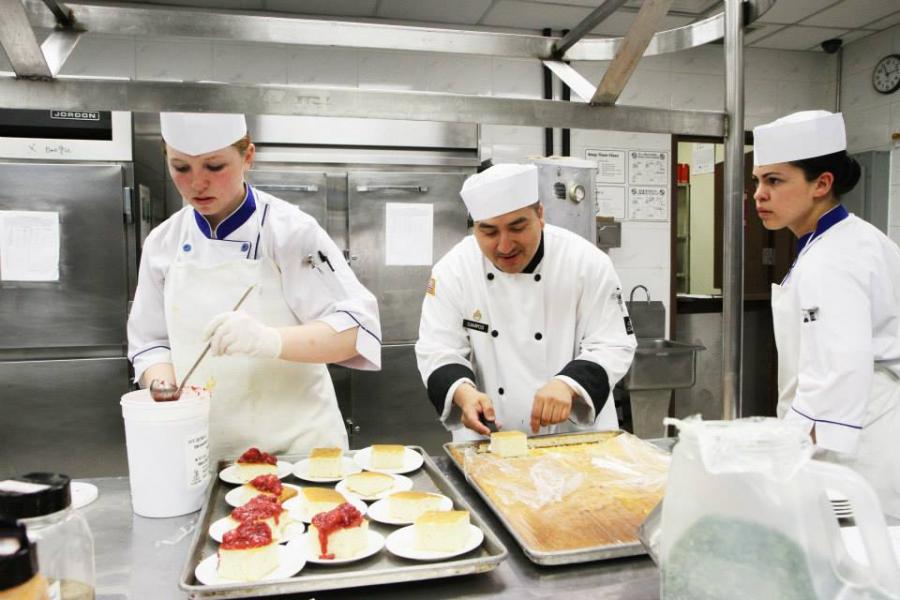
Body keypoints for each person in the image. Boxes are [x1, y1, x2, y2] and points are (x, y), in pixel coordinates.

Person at [127, 112, 381, 457]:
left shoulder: (291, 231)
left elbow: (356, 329)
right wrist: (163, 386)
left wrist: (270, 340)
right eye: (181, 167)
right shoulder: (163, 242)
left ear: (247, 156)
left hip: (298, 450)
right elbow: (150, 342)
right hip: (205, 449)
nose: (197, 184)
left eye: (214, 166)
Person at [415, 163, 636, 441]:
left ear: (540, 215)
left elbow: (613, 343)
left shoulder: (586, 263)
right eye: (489, 232)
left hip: (576, 438)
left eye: (517, 228)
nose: (504, 246)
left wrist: (569, 384)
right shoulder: (454, 270)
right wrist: (463, 393)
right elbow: (438, 349)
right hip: (489, 441)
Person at [753, 110, 900, 517]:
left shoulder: (834, 258)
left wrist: (788, 456)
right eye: (758, 181)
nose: (759, 194)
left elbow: (840, 371)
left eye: (774, 181)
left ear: (822, 184)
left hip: (858, 444)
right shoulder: (851, 239)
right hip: (863, 428)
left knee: (857, 547)